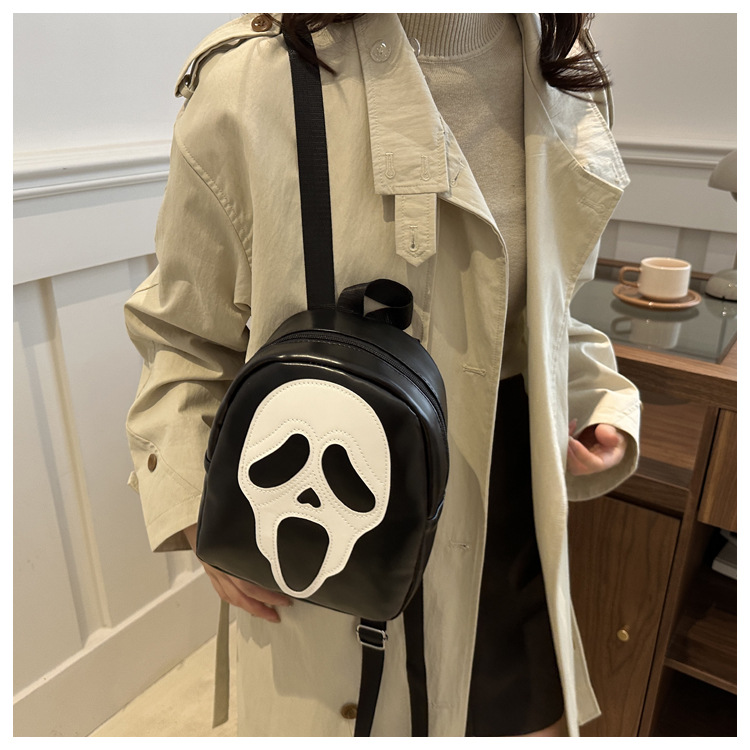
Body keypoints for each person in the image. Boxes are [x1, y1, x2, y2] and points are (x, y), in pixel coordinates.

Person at [124, 13, 640, 737]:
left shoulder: (565, 71)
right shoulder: (250, 80)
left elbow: (547, 312)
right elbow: (184, 334)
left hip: (506, 526)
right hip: (321, 510)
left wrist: (599, 401)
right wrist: (193, 503)